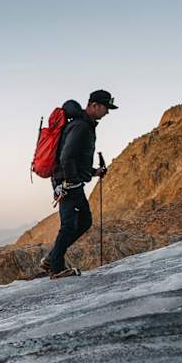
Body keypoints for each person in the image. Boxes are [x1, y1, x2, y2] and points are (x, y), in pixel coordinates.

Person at [41, 90, 116, 279]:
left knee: (84, 221)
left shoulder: (85, 125)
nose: (107, 113)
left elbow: (76, 158)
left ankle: (52, 258)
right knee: (69, 225)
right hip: (66, 182)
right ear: (94, 105)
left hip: (70, 181)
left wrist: (92, 172)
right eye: (106, 108)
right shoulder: (81, 126)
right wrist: (69, 181)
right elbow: (66, 157)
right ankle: (56, 268)